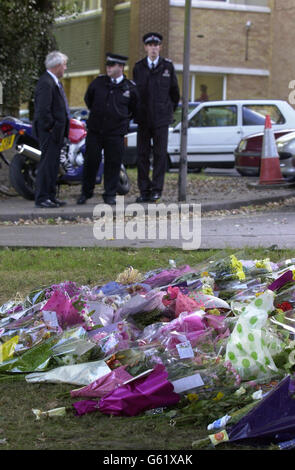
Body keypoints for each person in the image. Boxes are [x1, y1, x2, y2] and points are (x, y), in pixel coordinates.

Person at [77, 53, 139, 206]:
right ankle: (86, 192)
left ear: (120, 67)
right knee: (91, 161)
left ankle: (110, 193)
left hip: (115, 132)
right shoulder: (99, 82)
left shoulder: (129, 87)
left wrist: (121, 120)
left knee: (113, 163)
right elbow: (88, 99)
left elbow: (134, 108)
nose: (108, 68)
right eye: (107, 65)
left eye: (111, 65)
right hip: (96, 130)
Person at [133, 32, 180, 203]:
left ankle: (156, 190)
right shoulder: (138, 67)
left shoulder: (167, 67)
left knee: (160, 156)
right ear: (146, 48)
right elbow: (134, 93)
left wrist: (167, 110)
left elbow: (175, 94)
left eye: (156, 45)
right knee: (142, 156)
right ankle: (144, 190)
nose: (153, 48)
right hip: (144, 119)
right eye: (150, 45)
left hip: (161, 119)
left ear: (160, 47)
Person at [33, 51, 70, 208]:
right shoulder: (46, 83)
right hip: (50, 132)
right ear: (57, 66)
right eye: (64, 65)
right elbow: (43, 110)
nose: (65, 68)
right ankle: (42, 197)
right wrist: (51, 127)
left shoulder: (54, 82)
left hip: (56, 132)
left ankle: (50, 195)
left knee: (53, 165)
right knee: (47, 164)